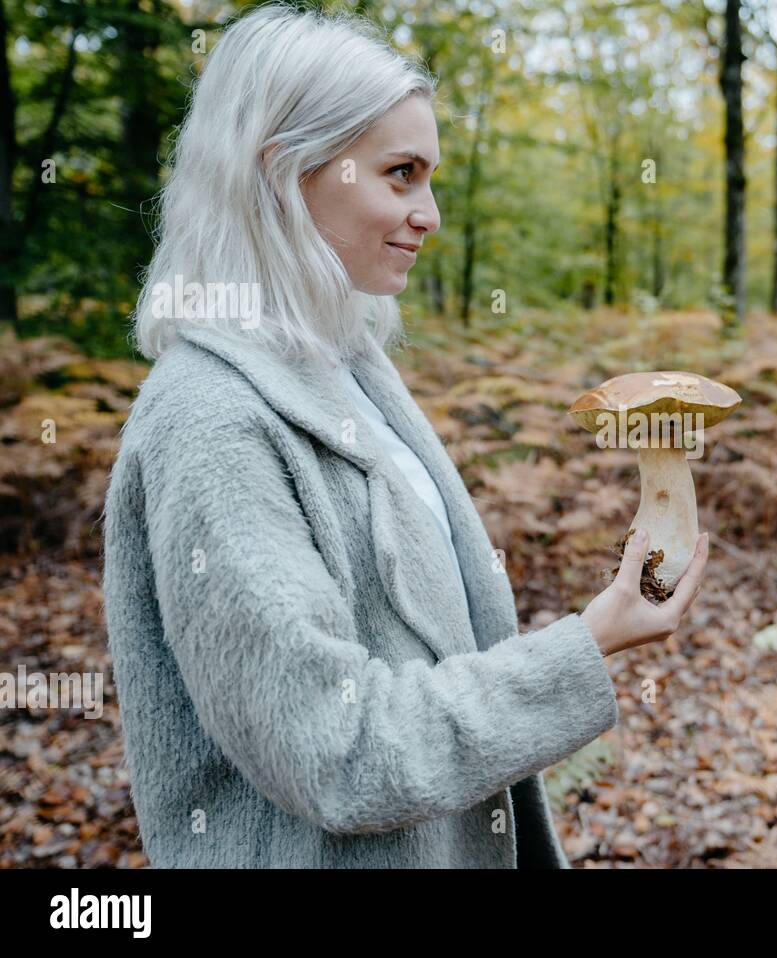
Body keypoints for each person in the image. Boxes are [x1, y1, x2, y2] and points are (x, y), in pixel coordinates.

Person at [102, 2, 707, 868]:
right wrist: (590, 641)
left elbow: (425, 651)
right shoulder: (209, 419)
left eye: (430, 177)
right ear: (285, 171)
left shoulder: (346, 362)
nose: (429, 214)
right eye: (400, 174)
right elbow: (339, 752)